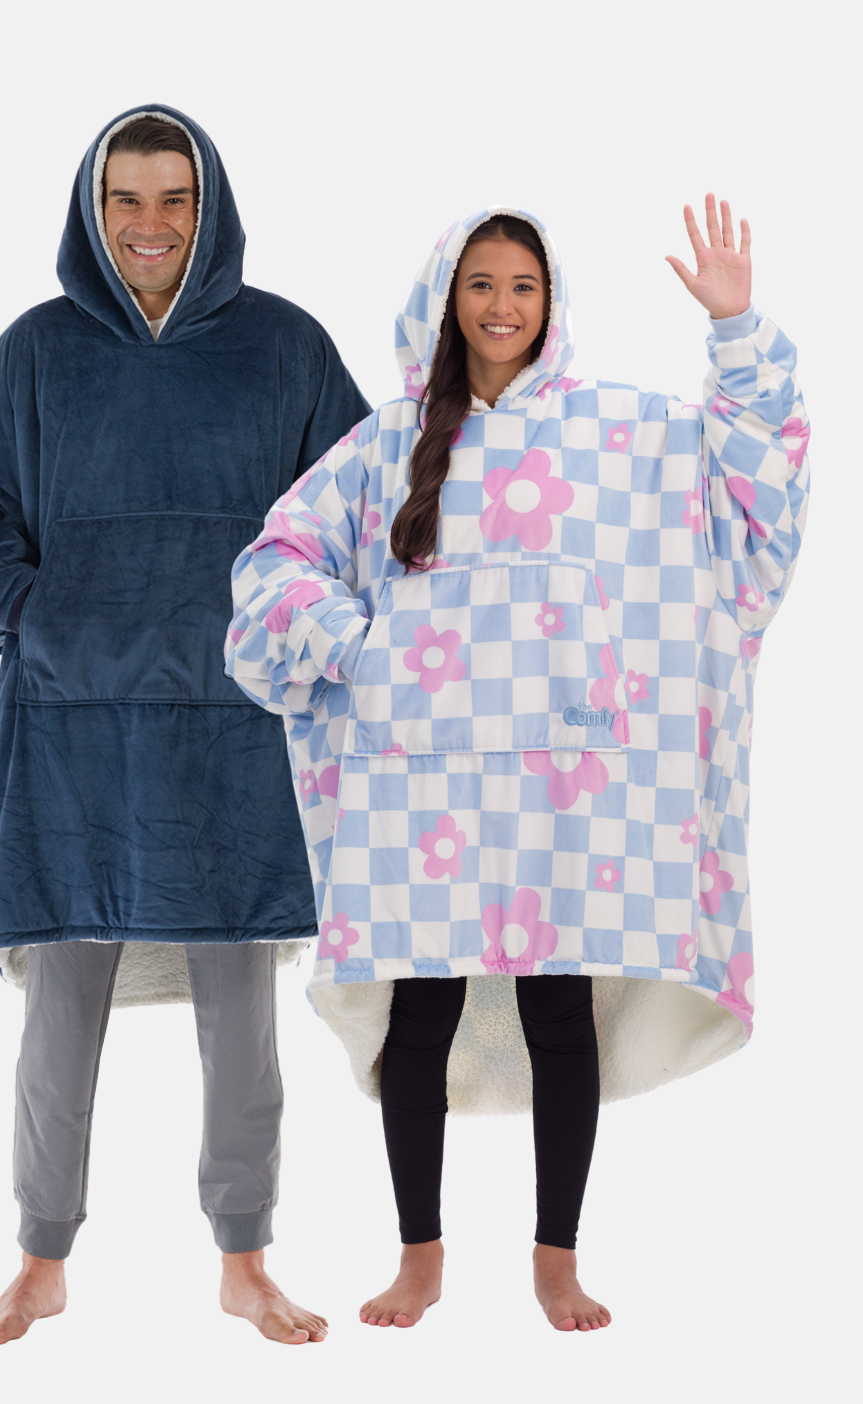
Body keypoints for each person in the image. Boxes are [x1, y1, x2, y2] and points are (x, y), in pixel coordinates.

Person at [227, 199, 809, 1331]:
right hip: (421, 778)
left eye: (524, 286)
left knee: (558, 1012)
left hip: (565, 785)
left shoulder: (618, 432)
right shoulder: (387, 444)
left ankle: (556, 1257)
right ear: (448, 298)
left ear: (551, 304)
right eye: (482, 284)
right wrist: (356, 644)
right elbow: (273, 563)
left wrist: (736, 331)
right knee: (420, 1013)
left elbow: (751, 488)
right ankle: (420, 1254)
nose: (502, 306)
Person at [0, 104, 369, 1347]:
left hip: (234, 725)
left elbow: (360, 505)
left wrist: (301, 626)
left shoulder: (284, 348)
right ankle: (39, 1260)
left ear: (209, 210)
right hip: (71, 729)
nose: (150, 225)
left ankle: (246, 1260)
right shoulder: (35, 353)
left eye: (175, 200)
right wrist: (25, 606)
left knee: (242, 1014)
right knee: (59, 1011)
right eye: (127, 200)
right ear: (93, 209)